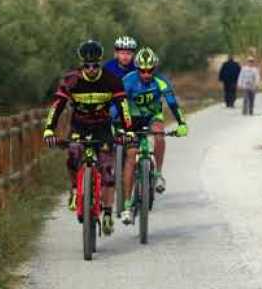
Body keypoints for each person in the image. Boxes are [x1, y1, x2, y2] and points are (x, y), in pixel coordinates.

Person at [43, 40, 132, 236]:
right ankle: (75, 190)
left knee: (108, 172)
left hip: (103, 128)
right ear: (81, 64)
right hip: (79, 127)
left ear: (100, 63)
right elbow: (56, 106)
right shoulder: (71, 80)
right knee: (73, 153)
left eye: (95, 65)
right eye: (87, 66)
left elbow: (123, 107)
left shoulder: (111, 80)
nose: (91, 70)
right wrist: (49, 129)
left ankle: (108, 213)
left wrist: (127, 130)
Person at [118, 47, 188, 224]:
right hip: (131, 119)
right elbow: (116, 104)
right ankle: (126, 205)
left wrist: (181, 123)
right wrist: (116, 124)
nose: (147, 74)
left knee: (159, 134)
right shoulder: (128, 81)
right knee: (131, 155)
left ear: (155, 68)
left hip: (151, 117)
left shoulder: (161, 82)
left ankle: (157, 174)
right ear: (137, 68)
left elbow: (172, 103)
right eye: (143, 70)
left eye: (150, 70)